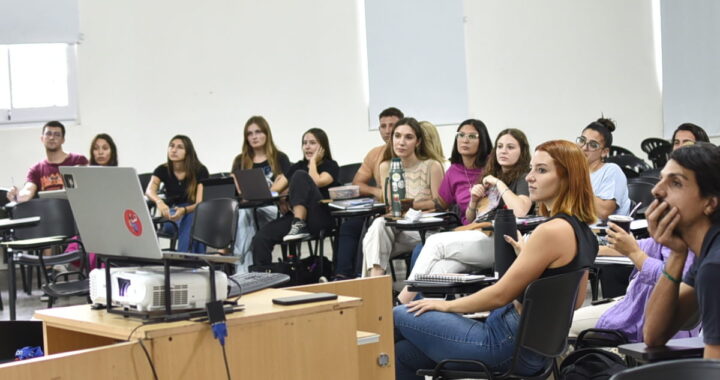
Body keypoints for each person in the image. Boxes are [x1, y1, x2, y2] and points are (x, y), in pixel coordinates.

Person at [394, 140, 599, 379]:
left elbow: (500, 294)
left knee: (397, 315)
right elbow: (573, 302)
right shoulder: (584, 232)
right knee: (403, 353)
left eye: (541, 170)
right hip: (537, 351)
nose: (530, 177)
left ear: (568, 178)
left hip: (503, 345)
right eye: (532, 168)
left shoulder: (551, 231)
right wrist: (529, 259)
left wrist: (446, 305)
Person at [569, 124, 709, 341]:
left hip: (642, 320)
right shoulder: (679, 224)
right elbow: (642, 247)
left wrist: (635, 253)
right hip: (634, 306)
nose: (656, 190)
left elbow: (663, 326)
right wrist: (587, 247)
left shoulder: (705, 242)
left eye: (675, 182)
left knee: (560, 327)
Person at [397, 128, 533, 305]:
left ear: (522, 152)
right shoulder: (490, 174)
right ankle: (418, 315)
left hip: (501, 242)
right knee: (439, 270)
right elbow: (470, 219)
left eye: (510, 147)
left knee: (435, 242)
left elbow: (521, 210)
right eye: (500, 146)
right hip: (478, 236)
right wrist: (474, 201)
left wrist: (498, 183)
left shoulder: (523, 177)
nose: (503, 151)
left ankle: (399, 303)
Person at [643, 143, 720, 359]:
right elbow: (653, 335)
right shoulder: (708, 251)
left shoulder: (715, 267)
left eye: (675, 183)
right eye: (661, 179)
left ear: (710, 203)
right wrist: (677, 254)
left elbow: (714, 371)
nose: (656, 190)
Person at [362, 117, 444, 277]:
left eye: (408, 137)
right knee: (378, 226)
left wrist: (412, 206)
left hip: (423, 229)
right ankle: (377, 286)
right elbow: (390, 206)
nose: (401, 142)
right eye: (397, 136)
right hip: (398, 228)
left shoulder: (431, 166)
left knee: (372, 241)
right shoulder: (385, 166)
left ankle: (374, 288)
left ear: (418, 142)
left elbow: (441, 204)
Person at [250, 128, 339, 266]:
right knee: (261, 238)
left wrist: (313, 162)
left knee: (299, 175)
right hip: (293, 223)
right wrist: (278, 196)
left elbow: (316, 181)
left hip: (320, 217)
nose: (307, 146)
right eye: (305, 143)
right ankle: (262, 277)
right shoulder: (298, 166)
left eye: (312, 143)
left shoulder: (331, 165)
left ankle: (299, 223)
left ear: (323, 147)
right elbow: (274, 190)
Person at [333, 107, 403, 280]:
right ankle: (342, 277)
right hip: (379, 207)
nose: (387, 130)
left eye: (392, 125)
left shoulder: (407, 151)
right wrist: (377, 191)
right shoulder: (375, 153)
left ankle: (361, 277)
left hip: (401, 211)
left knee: (369, 228)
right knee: (348, 227)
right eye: (383, 126)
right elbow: (357, 182)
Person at [230, 116, 291, 273]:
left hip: (272, 210)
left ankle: (240, 265)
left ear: (266, 134)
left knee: (244, 216)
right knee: (245, 213)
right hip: (249, 209)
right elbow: (237, 191)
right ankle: (250, 271)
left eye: (258, 132)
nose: (254, 137)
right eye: (249, 134)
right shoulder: (240, 160)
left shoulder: (280, 158)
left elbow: (286, 187)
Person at [145, 135, 209, 253]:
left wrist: (184, 210)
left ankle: (185, 260)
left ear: (188, 152)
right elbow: (149, 190)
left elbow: (200, 204)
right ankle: (195, 261)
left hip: (194, 211)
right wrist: (159, 202)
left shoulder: (200, 170)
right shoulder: (162, 169)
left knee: (193, 220)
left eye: (180, 147)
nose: (174, 150)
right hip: (173, 214)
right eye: (171, 146)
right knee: (195, 225)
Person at [7, 121, 88, 202]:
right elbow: (28, 190)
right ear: (42, 138)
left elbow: (87, 188)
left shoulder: (78, 160)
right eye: (48, 134)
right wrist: (17, 196)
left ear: (63, 140)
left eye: (57, 135)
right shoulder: (36, 170)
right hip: (48, 211)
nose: (52, 137)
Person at [576, 117, 630, 219]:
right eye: (582, 140)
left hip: (603, 233)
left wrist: (573, 188)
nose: (584, 147)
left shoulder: (611, 170)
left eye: (593, 144)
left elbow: (604, 212)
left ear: (604, 152)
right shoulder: (576, 172)